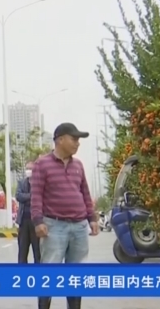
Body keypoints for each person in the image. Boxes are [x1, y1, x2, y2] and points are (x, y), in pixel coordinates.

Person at [30, 123, 99, 309]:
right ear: (60, 140)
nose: (78, 144)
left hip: (79, 226)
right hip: (54, 226)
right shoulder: (42, 164)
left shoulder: (78, 165)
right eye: (74, 139)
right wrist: (38, 221)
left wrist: (92, 218)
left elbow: (85, 192)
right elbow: (36, 195)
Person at [15, 161, 40, 263]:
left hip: (36, 221)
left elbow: (39, 197)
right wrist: (31, 196)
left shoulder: (39, 184)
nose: (28, 171)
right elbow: (18, 196)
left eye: (30, 169)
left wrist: (27, 196)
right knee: (22, 251)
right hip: (23, 221)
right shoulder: (21, 183)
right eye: (27, 168)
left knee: (37, 252)